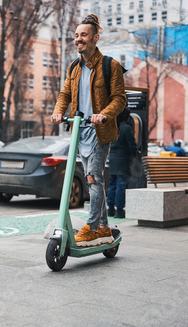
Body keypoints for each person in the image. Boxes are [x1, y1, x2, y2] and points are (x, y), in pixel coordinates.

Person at [51, 14, 126, 247]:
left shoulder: (110, 66)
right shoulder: (74, 67)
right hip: (79, 131)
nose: (78, 39)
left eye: (83, 35)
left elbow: (119, 99)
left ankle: (92, 227)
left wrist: (104, 114)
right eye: (76, 36)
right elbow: (65, 94)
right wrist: (57, 111)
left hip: (100, 132)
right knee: (93, 180)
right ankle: (104, 227)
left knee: (93, 178)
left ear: (95, 38)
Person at [107, 110, 138, 219]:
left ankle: (110, 209)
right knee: (121, 184)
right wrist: (135, 153)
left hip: (112, 158)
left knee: (112, 184)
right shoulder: (126, 128)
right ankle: (119, 210)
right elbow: (132, 144)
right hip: (123, 159)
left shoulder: (113, 127)